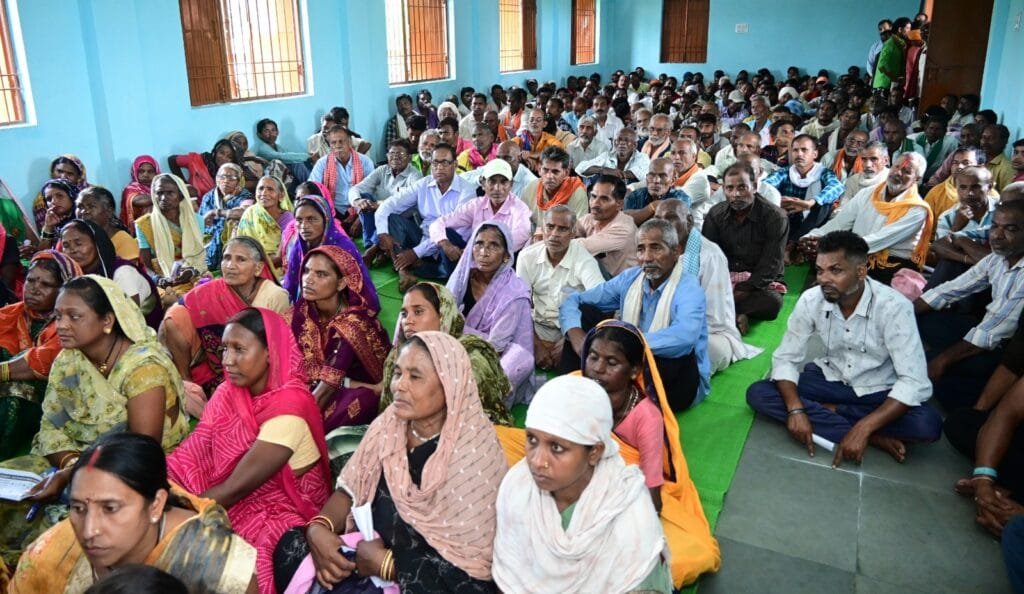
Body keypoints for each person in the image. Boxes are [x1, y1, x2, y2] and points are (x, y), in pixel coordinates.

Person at [272, 332, 507, 593]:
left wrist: (386, 565)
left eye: (415, 376)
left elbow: (472, 573)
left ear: (450, 386)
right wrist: (319, 529)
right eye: (397, 373)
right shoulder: (389, 424)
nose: (399, 386)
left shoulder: (474, 453)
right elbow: (350, 490)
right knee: (290, 544)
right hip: (366, 553)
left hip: (418, 577)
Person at [167, 307, 331, 594]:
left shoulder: (289, 410)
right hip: (236, 492)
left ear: (271, 353)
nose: (227, 360)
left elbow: (234, 490)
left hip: (280, 505)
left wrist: (172, 512)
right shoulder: (229, 391)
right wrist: (162, 483)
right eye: (224, 349)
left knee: (241, 559)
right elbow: (196, 449)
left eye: (239, 349)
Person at [747, 231, 942, 466]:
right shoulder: (811, 300)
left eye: (835, 270)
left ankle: (838, 416)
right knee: (760, 392)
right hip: (831, 380)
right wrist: (796, 410)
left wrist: (863, 428)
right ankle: (876, 436)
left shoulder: (894, 307)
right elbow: (786, 358)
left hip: (878, 389)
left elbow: (913, 382)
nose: (824, 279)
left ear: (861, 272)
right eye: (820, 270)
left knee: (926, 424)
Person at [8, 432, 257, 594]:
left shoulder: (217, 569)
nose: (89, 530)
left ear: (156, 505)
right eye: (78, 508)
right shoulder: (51, 554)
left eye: (110, 508)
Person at [491, 375, 671, 593]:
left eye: (557, 448)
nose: (537, 461)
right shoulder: (517, 487)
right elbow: (509, 576)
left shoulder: (629, 519)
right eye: (532, 440)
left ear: (594, 452)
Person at [578, 322, 721, 586]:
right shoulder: (576, 388)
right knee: (505, 442)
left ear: (634, 371)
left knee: (687, 556)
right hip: (575, 479)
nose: (598, 368)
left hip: (630, 491)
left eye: (612, 362)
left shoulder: (646, 417)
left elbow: (652, 495)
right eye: (593, 357)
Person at [560, 219, 710, 410]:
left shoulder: (689, 288)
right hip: (631, 363)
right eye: (640, 249)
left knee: (673, 354)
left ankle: (622, 399)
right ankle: (572, 391)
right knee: (585, 314)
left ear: (676, 251)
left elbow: (684, 337)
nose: (647, 257)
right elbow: (574, 300)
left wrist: (626, 346)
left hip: (676, 376)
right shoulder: (630, 278)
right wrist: (575, 334)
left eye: (656, 248)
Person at [915, 200, 1024, 408]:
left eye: (1010, 229)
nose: (997, 235)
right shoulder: (997, 259)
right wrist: (899, 315)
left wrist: (943, 360)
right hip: (988, 333)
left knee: (933, 368)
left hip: (1011, 353)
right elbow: (949, 290)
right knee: (922, 318)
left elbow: (994, 331)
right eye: (995, 226)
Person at [160, 237, 289, 411]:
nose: (230, 265)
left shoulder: (274, 296)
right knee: (176, 316)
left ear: (258, 268)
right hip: (220, 367)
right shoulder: (213, 290)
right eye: (227, 258)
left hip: (260, 368)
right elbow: (174, 317)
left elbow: (277, 349)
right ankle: (188, 384)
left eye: (240, 259)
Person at [286, 246, 389, 431]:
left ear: (341, 283)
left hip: (352, 391)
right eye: (307, 271)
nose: (308, 279)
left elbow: (326, 389)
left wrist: (293, 429)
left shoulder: (351, 324)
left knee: (356, 403)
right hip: (330, 383)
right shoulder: (303, 311)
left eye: (321, 274)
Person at [658, 197, 763, 369]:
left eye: (671, 218)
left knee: (684, 355)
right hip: (663, 328)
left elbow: (714, 318)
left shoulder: (709, 256)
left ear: (689, 221)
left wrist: (673, 333)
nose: (663, 225)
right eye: (658, 219)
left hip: (709, 334)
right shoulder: (656, 251)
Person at [799, 152, 933, 285]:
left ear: (917, 179)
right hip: (856, 252)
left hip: (889, 263)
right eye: (896, 167)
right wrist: (810, 238)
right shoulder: (868, 193)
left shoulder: (917, 209)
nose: (898, 173)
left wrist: (831, 246)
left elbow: (879, 239)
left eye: (907, 171)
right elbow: (839, 223)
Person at [0, 252, 79, 459]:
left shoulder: (71, 323)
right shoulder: (11, 314)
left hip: (58, 399)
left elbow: (44, 360)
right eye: (31, 280)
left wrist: (3, 370)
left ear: (64, 291)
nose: (34, 288)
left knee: (17, 389)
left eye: (46, 284)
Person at [446, 223, 534, 405]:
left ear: (506, 255)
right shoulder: (463, 278)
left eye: (494, 246)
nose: (484, 252)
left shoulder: (514, 293)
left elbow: (496, 347)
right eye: (478, 244)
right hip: (460, 346)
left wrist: (458, 328)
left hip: (494, 356)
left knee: (516, 361)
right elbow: (443, 314)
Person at [374, 143, 478, 291]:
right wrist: (382, 233)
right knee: (391, 219)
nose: (439, 167)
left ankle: (422, 266)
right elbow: (388, 205)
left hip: (447, 244)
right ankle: (404, 269)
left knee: (448, 236)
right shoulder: (424, 184)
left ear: (455, 165)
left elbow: (456, 231)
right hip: (422, 238)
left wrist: (416, 252)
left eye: (445, 162)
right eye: (435, 163)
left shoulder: (466, 191)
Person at [517, 205, 604, 370]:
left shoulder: (585, 261)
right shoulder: (526, 257)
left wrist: (570, 340)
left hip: (572, 330)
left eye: (562, 229)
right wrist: (536, 344)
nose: (554, 234)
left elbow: (602, 303)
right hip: (536, 328)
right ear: (543, 228)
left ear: (573, 233)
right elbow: (520, 306)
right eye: (550, 227)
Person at [59, 219, 162, 329]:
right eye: (66, 246)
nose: (72, 250)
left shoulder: (123, 272)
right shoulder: (76, 276)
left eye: (78, 243)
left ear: (97, 243)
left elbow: (127, 321)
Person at [282, 191, 376, 310]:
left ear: (325, 220)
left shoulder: (342, 247)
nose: (304, 226)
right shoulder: (299, 245)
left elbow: (356, 288)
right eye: (299, 220)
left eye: (311, 219)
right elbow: (291, 281)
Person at [430, 159, 532, 266]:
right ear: (483, 184)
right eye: (492, 181)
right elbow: (439, 223)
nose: (497, 188)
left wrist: (481, 251)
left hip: (503, 262)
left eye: (503, 182)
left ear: (511, 185)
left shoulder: (519, 208)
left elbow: (521, 236)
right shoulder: (476, 205)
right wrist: (445, 244)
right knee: (446, 234)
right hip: (475, 257)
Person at [763, 134, 845, 253]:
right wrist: (779, 201)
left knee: (824, 205)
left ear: (815, 154)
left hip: (812, 222)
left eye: (804, 150)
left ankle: (794, 243)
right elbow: (765, 186)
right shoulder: (784, 172)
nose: (799, 154)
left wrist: (810, 203)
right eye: (795, 150)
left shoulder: (824, 173)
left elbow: (837, 186)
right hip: (787, 218)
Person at [135, 174, 207, 308]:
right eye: (159, 193)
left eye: (170, 193)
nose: (163, 198)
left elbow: (199, 256)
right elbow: (146, 265)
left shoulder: (196, 221)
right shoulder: (145, 224)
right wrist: (157, 279)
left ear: (180, 196)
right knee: (175, 302)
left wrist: (192, 271)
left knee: (207, 295)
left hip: (193, 273)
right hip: (163, 279)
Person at [349, 138, 422, 260]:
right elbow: (357, 188)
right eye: (392, 154)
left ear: (409, 158)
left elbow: (411, 203)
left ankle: (374, 249)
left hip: (399, 217)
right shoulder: (382, 170)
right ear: (387, 156)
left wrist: (380, 204)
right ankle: (372, 245)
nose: (395, 157)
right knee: (365, 198)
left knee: (393, 214)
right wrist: (357, 201)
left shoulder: (414, 176)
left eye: (400, 154)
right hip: (377, 215)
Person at [309, 126, 374, 234]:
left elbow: (372, 191)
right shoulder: (322, 163)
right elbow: (312, 188)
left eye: (341, 141)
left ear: (349, 142)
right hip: (334, 211)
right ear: (330, 146)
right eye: (333, 142)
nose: (338, 145)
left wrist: (360, 218)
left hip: (360, 209)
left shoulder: (365, 161)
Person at [577, 174, 639, 277]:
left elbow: (579, 247)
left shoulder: (624, 228)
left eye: (604, 199)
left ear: (619, 204)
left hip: (621, 284)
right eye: (593, 196)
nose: (595, 204)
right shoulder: (589, 218)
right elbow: (567, 230)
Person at [235, 175, 294, 280]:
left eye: (270, 189)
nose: (264, 193)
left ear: (281, 196)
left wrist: (252, 266)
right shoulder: (250, 213)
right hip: (249, 265)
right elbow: (239, 246)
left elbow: (280, 258)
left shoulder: (288, 219)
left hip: (276, 271)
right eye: (261, 188)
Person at [521, 146, 588, 235]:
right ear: (539, 170)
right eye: (545, 170)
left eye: (555, 172)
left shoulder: (577, 192)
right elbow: (521, 222)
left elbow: (578, 232)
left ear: (566, 173)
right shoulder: (531, 188)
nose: (549, 176)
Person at [198, 163, 251, 271]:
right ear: (217, 179)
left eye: (231, 178)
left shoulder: (245, 196)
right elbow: (202, 221)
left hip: (232, 241)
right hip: (209, 241)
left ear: (239, 181)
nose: (226, 181)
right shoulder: (209, 197)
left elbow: (245, 212)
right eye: (222, 177)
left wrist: (216, 212)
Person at [74, 186, 139, 262]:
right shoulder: (73, 238)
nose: (83, 212)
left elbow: (128, 268)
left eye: (91, 206)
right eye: (80, 207)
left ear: (109, 211)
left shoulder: (123, 241)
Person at [30, 155, 89, 233]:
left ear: (79, 176)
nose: (63, 176)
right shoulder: (42, 199)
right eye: (59, 171)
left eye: (70, 174)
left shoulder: (90, 195)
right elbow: (45, 238)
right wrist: (48, 227)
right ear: (52, 172)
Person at [167, 138, 243, 198]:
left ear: (233, 161)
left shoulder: (233, 176)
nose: (223, 158)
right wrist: (184, 185)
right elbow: (172, 160)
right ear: (216, 151)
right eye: (221, 153)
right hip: (193, 206)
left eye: (229, 157)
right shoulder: (197, 160)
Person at [624, 158, 690, 226]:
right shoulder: (634, 196)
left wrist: (639, 215)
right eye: (651, 175)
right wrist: (652, 206)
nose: (656, 180)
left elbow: (672, 224)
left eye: (662, 176)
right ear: (646, 178)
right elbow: (626, 222)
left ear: (673, 181)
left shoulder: (681, 197)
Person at [576, 127, 650, 185]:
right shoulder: (607, 156)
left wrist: (622, 174)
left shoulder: (642, 157)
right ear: (614, 143)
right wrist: (603, 170)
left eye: (626, 140)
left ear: (635, 145)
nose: (622, 143)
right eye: (619, 140)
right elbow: (580, 168)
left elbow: (646, 174)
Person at [252, 118, 312, 183]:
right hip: (273, 181)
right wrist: (308, 156)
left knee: (304, 162)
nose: (271, 134)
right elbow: (281, 157)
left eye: (273, 130)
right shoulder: (261, 149)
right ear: (259, 135)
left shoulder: (278, 147)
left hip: (286, 177)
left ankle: (313, 183)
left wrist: (308, 158)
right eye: (266, 131)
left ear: (277, 132)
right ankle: (312, 184)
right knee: (297, 163)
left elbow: (289, 157)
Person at [670, 138, 713, 227]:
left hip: (690, 230)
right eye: (673, 153)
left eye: (682, 153)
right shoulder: (670, 174)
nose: (676, 157)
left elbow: (673, 204)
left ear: (694, 157)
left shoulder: (699, 179)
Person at [33, 179, 79, 253]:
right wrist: (48, 227)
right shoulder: (51, 223)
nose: (53, 201)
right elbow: (43, 254)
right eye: (49, 199)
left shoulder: (83, 218)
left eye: (60, 196)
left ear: (72, 196)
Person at [515, 107, 564, 173]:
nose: (534, 122)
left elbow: (558, 150)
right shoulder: (522, 137)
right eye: (531, 120)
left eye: (538, 120)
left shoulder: (549, 138)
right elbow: (508, 148)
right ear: (528, 123)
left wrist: (530, 155)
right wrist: (525, 159)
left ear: (544, 124)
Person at [119, 155, 159, 233]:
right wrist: (164, 197)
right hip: (138, 232)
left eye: (150, 171)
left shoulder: (160, 187)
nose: (145, 175)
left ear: (156, 173)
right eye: (141, 171)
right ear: (135, 172)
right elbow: (138, 200)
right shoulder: (131, 188)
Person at [873, 17, 911, 90]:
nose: (910, 31)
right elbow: (882, 66)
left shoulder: (901, 43)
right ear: (900, 29)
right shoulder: (891, 43)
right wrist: (895, 79)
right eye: (907, 28)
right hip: (883, 85)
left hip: (890, 84)